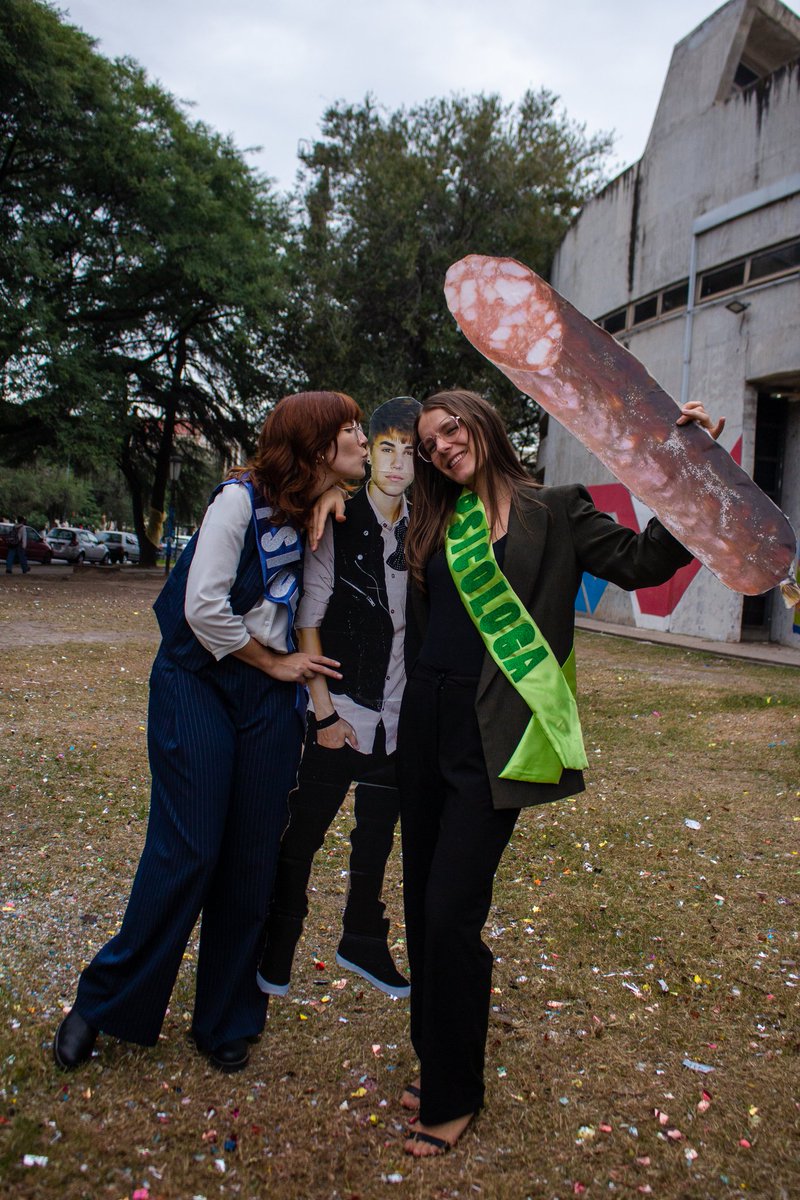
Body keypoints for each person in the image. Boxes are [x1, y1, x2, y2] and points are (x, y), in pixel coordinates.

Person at [397, 389, 724, 1155]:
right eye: (430, 444)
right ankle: (438, 1060)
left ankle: (456, 1095)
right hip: (425, 727)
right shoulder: (437, 517)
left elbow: (642, 563)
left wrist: (688, 468)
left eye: (451, 429)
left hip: (495, 737)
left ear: (481, 423)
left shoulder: (559, 508)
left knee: (450, 915)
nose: (443, 447)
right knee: (419, 908)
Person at [53, 391, 368, 1075]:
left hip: (266, 699)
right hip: (199, 678)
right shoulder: (237, 501)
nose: (366, 441)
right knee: (188, 849)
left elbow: (396, 500)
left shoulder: (335, 496)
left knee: (252, 856)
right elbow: (203, 607)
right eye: (351, 432)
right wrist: (276, 661)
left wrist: (333, 495)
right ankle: (101, 1004)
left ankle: (224, 1015)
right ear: (316, 446)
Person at [257, 396, 420, 1001]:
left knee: (377, 836)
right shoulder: (340, 521)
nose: (399, 463)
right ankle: (275, 950)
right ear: (370, 453)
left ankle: (362, 941)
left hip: (398, 720)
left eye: (410, 452)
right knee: (303, 834)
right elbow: (309, 618)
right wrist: (323, 713)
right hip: (342, 713)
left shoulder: (426, 527)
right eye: (386, 449)